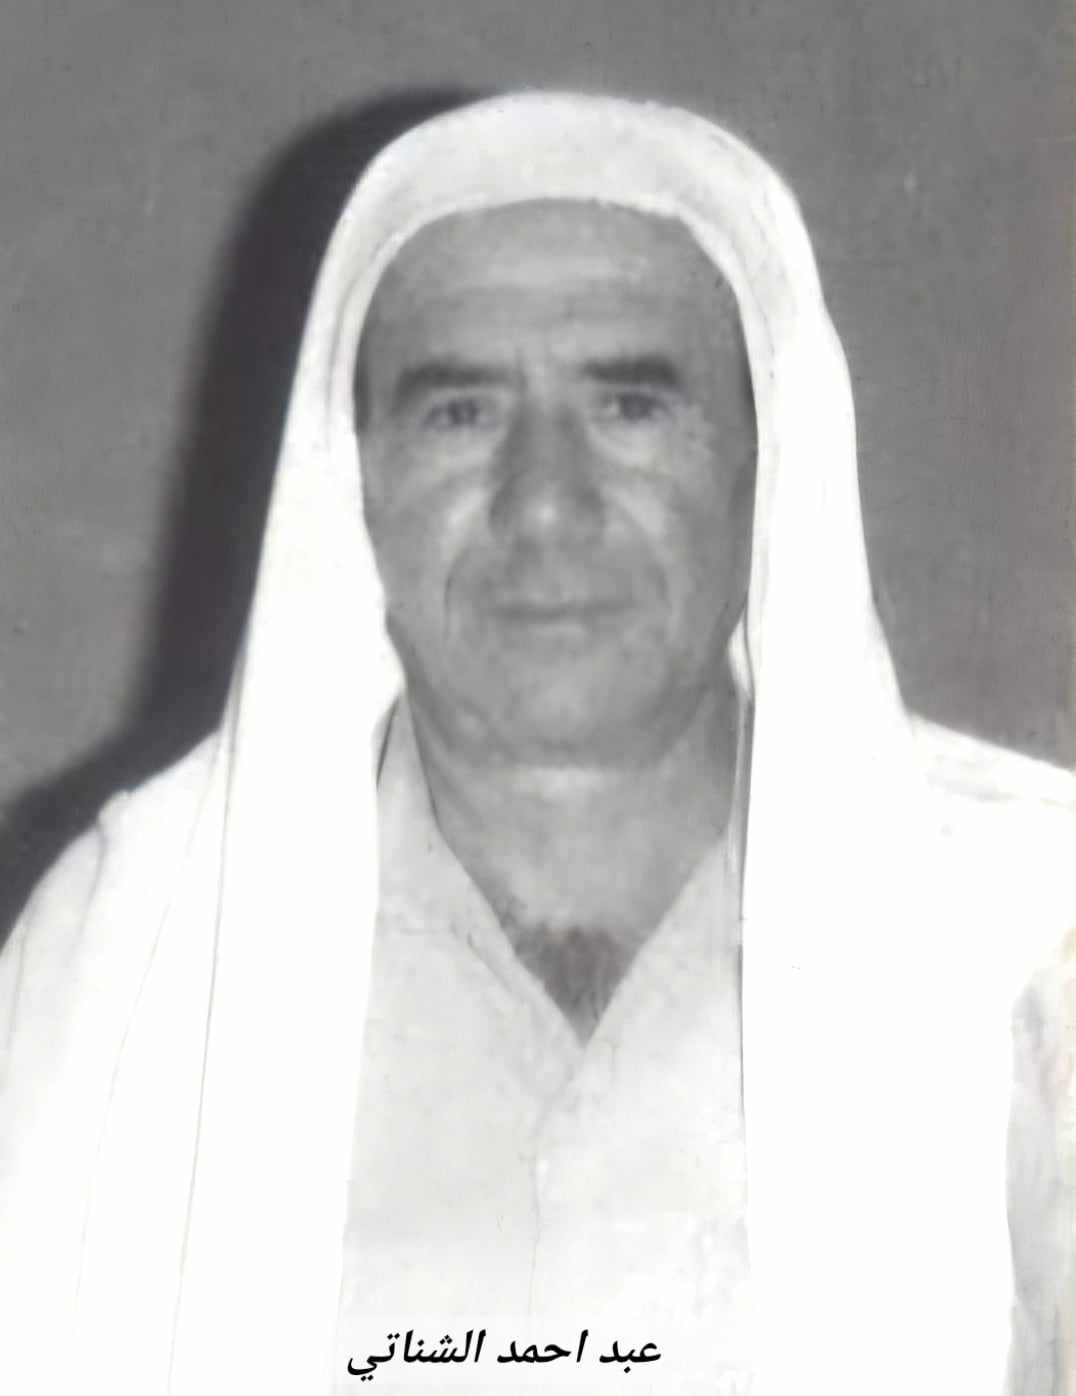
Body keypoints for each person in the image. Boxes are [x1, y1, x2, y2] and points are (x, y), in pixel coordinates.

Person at [1, 92, 1073, 1396]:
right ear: (353, 472)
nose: (546, 503)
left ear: (767, 457)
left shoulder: (1029, 937)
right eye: (459, 413)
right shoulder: (127, 949)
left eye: (630, 405)